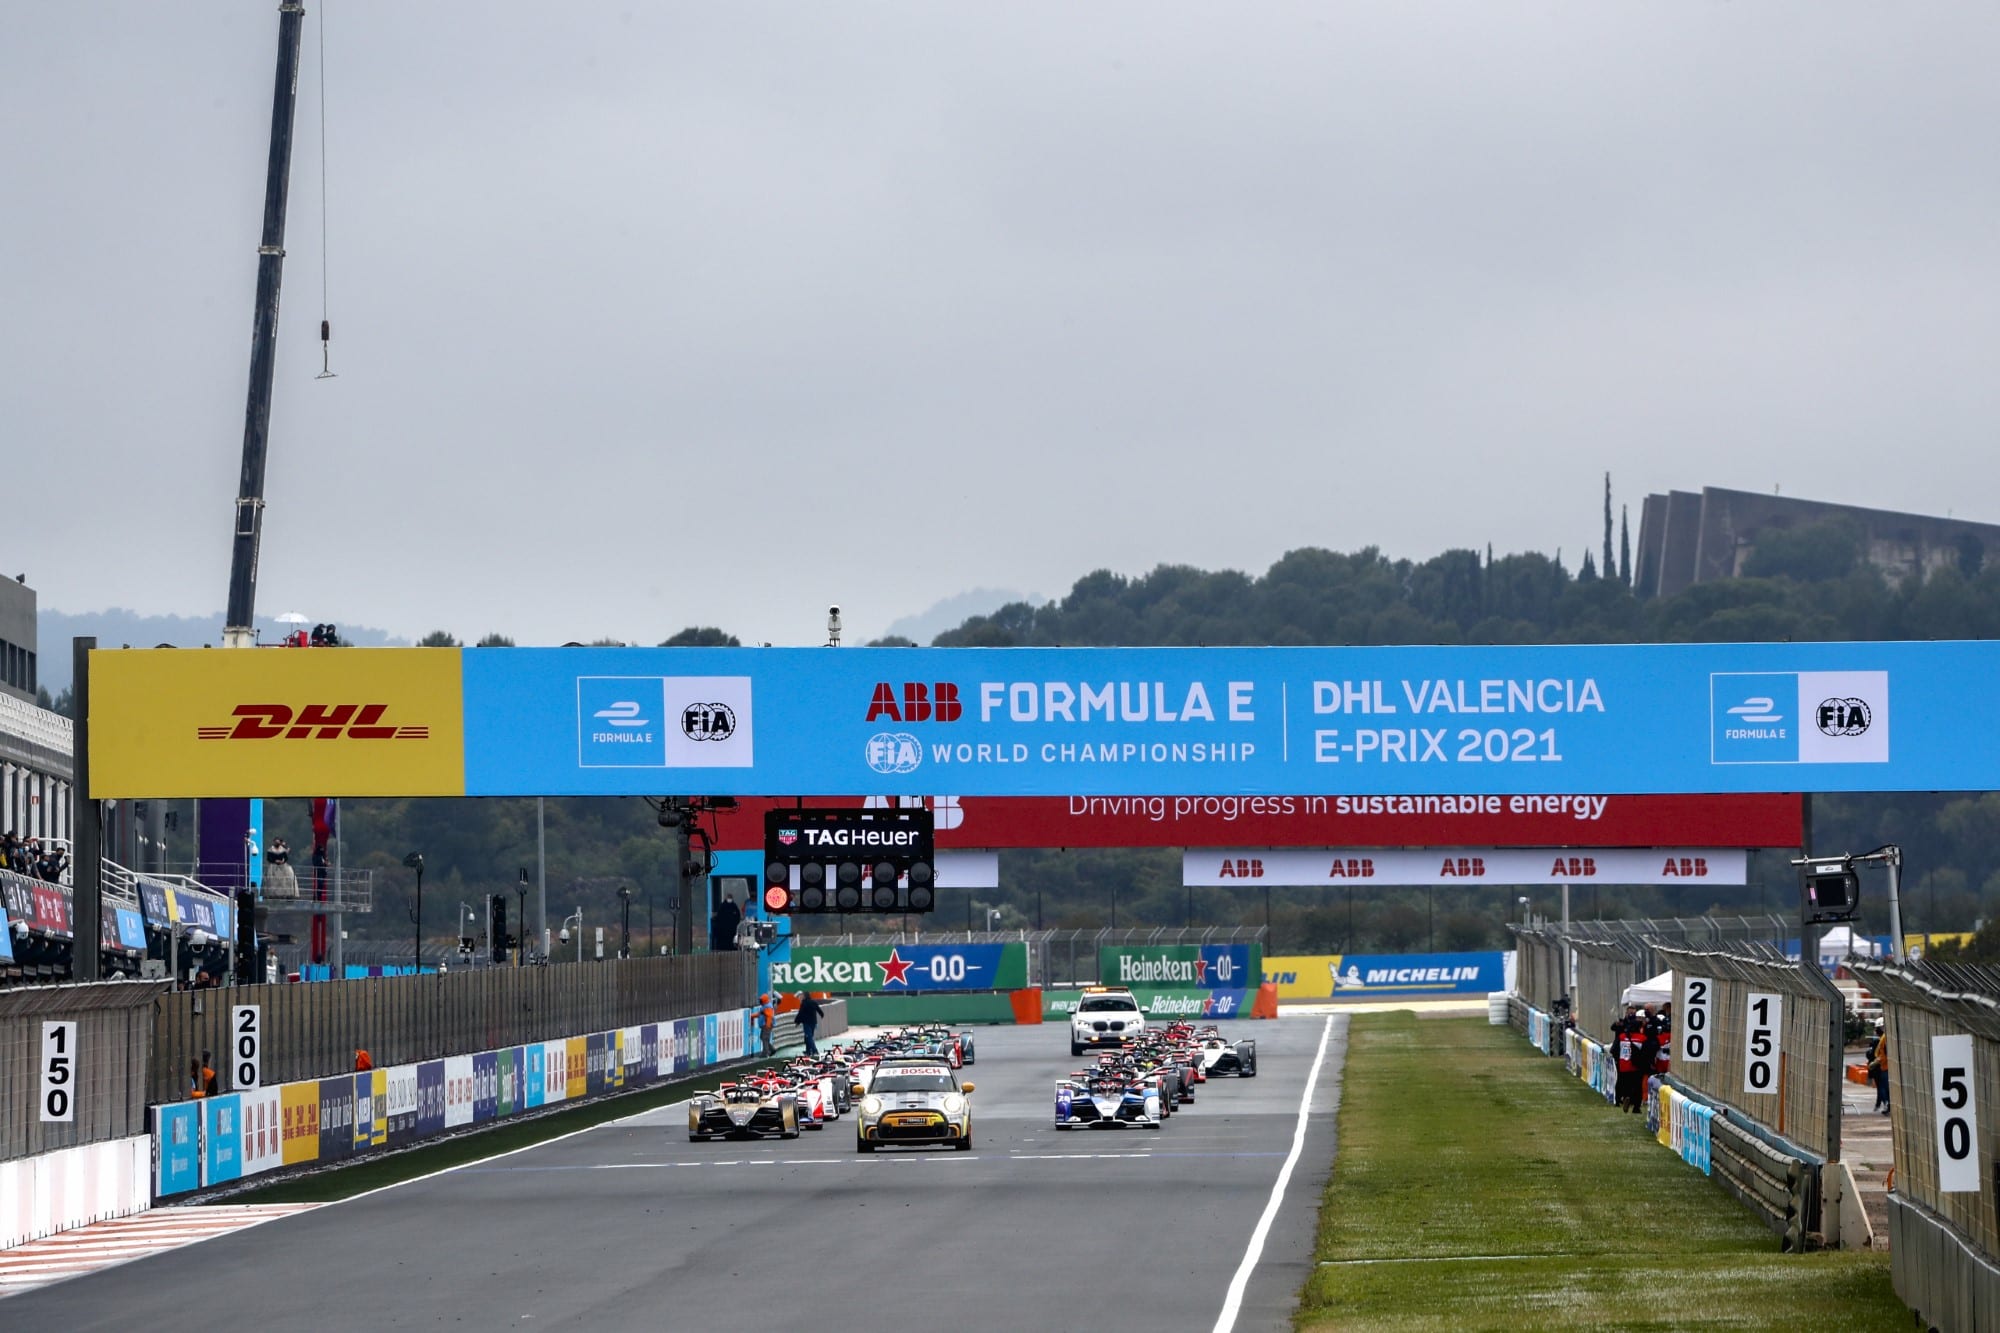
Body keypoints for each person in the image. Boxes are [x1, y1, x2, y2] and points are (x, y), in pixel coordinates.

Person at [1613, 1003, 1644, 1113]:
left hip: (1623, 1064)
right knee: (1637, 1085)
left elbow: (1615, 1046)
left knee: (1623, 1082)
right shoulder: (1641, 1038)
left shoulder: (1622, 1037)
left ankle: (1623, 1097)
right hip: (1635, 1065)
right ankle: (1636, 1105)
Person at [797, 992, 826, 1056]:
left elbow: (800, 1013)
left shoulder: (804, 1003)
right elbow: (819, 1010)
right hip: (813, 1022)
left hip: (807, 1023)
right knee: (809, 1037)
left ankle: (814, 1050)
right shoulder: (813, 1002)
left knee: (808, 1037)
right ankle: (808, 1051)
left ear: (804, 996)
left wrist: (797, 1021)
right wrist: (822, 1015)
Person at [1870, 1022, 1890, 1113]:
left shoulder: (1883, 1039)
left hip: (1885, 1067)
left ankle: (1887, 1104)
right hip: (1884, 1067)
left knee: (1883, 1087)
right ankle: (1886, 1105)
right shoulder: (1883, 1038)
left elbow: (1883, 1054)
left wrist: (1875, 1062)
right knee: (1884, 1088)